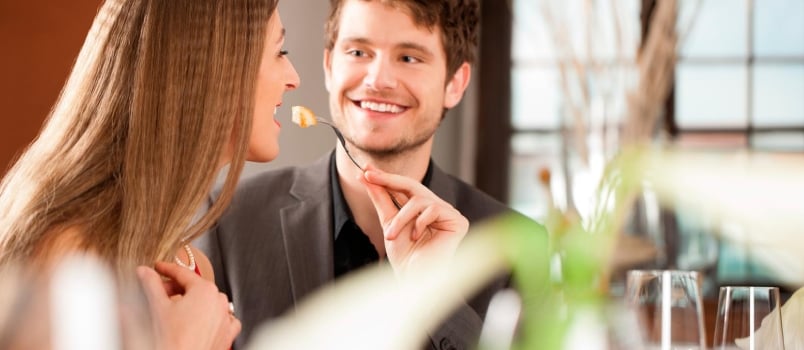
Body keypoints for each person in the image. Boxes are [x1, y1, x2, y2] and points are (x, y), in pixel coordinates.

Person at [196, 0, 546, 348]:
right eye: (359, 52)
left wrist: (439, 301)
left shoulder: (518, 249)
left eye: (409, 57)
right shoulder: (228, 219)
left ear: (455, 83)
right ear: (329, 64)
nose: (377, 80)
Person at [0, 0, 299, 348]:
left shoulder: (192, 268)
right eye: (280, 51)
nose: (294, 78)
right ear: (214, 72)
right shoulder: (69, 257)